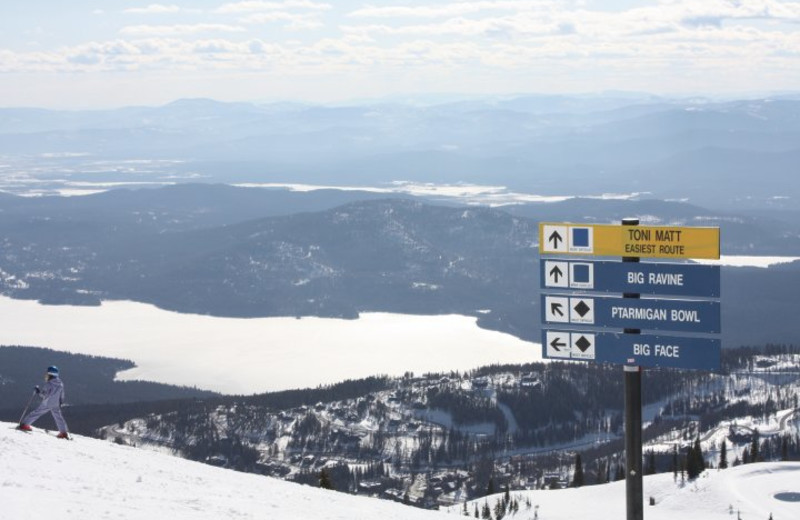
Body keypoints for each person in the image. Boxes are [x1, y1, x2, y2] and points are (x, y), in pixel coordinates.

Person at [18, 365, 70, 439]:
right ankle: (63, 432)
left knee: (37, 413)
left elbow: (44, 395)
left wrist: (38, 391)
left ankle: (25, 424)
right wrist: (60, 402)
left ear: (51, 375)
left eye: (48, 374)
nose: (46, 376)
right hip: (55, 404)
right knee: (58, 417)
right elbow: (62, 395)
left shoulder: (49, 384)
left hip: (47, 403)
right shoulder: (60, 384)